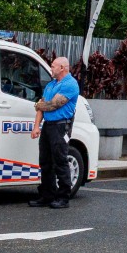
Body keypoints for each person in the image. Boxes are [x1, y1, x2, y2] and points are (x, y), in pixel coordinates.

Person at [30, 56, 80, 209]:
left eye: (53, 66)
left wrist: (39, 105)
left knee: (60, 160)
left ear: (62, 68)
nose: (51, 68)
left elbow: (52, 105)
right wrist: (36, 126)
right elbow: (41, 107)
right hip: (48, 125)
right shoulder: (51, 85)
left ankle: (63, 197)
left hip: (61, 126)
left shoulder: (70, 84)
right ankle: (47, 195)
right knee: (45, 161)